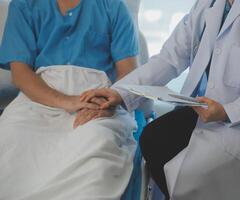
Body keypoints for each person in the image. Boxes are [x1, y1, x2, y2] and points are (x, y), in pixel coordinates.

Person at [80, 0, 240, 199]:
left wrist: (227, 111)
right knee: (152, 140)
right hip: (204, 111)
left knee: (180, 161)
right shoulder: (209, 5)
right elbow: (169, 58)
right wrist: (120, 92)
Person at [0, 0, 139, 199]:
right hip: (39, 96)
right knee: (9, 138)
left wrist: (111, 102)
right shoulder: (24, 5)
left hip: (97, 98)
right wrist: (68, 101)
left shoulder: (112, 6)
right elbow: (20, 74)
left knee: (97, 142)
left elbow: (128, 72)